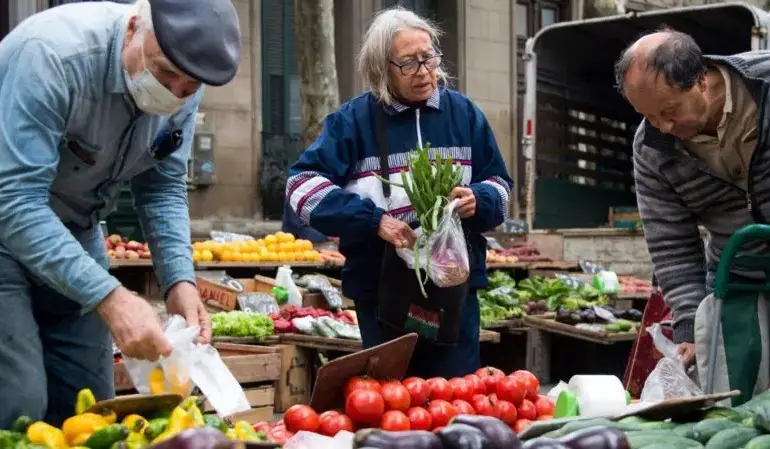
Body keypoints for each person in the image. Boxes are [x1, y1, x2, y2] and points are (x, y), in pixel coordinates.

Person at [0, 0, 240, 426]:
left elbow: (163, 186)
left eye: (189, 87)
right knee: (19, 401)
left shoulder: (188, 77)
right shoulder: (51, 56)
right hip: (7, 222)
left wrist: (178, 280)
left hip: (75, 229)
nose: (175, 92)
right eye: (166, 73)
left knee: (90, 402)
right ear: (133, 29)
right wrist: (109, 296)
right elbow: (15, 201)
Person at [286, 7, 513, 378]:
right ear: (382, 69)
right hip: (381, 292)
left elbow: (501, 187)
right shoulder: (352, 122)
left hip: (452, 290)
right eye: (408, 63)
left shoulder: (464, 115)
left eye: (429, 57)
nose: (424, 71)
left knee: (456, 397)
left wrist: (479, 199)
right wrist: (374, 221)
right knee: (391, 398)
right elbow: (301, 186)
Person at [614, 30, 769, 374]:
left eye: (670, 111)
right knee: (741, 399)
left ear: (700, 81)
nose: (663, 127)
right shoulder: (651, 148)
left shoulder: (765, 86)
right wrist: (688, 323)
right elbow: (671, 242)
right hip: (738, 283)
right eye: (649, 116)